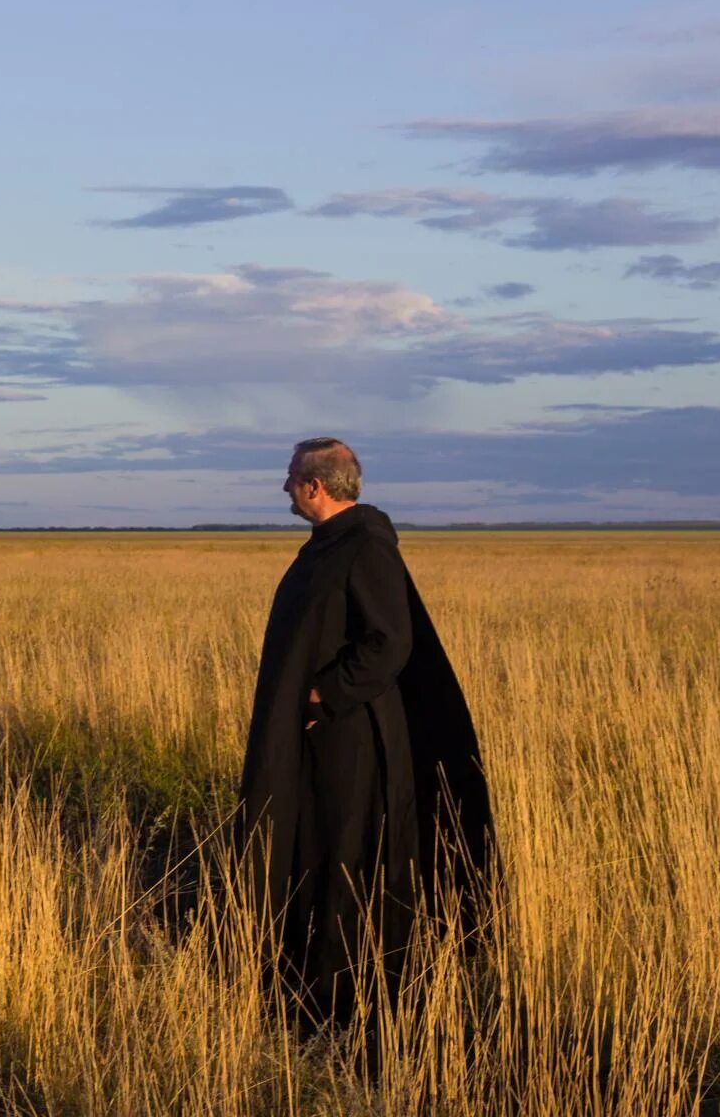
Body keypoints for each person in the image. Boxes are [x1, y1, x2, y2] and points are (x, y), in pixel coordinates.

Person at [237, 437, 493, 1026]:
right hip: (321, 732)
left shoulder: (365, 547)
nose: (284, 488)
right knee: (315, 847)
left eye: (290, 478)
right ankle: (306, 977)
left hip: (352, 737)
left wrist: (325, 693)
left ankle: (346, 994)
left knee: (347, 852)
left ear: (315, 487)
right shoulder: (330, 545)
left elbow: (390, 643)